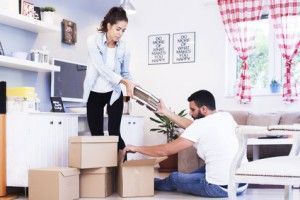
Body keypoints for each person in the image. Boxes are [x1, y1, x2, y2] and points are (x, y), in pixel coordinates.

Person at [123, 90, 248, 198]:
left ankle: (146, 183)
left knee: (174, 178)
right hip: (241, 184)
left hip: (218, 188)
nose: (190, 113)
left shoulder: (201, 125)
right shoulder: (226, 117)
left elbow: (165, 151)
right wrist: (165, 112)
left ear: (204, 109)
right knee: (197, 172)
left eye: (193, 109)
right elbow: (192, 126)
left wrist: (137, 148)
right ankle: (186, 182)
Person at [83, 7, 135, 152]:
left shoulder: (124, 48)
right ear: (109, 25)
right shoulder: (92, 41)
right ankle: (102, 172)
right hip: (94, 92)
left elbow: (125, 72)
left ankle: (121, 172)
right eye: (118, 29)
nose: (120, 33)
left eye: (123, 30)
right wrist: (124, 81)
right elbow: (100, 68)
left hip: (114, 93)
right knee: (97, 137)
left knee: (115, 135)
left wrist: (132, 84)